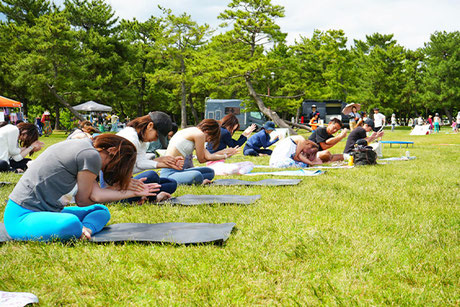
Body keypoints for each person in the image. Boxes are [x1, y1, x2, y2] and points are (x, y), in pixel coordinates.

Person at [3, 134, 160, 241]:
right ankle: (79, 228)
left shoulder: (86, 149)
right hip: (21, 217)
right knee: (70, 222)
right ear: (111, 151)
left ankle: (86, 230)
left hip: (48, 212)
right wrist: (127, 193)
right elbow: (84, 200)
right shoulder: (90, 156)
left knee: (100, 211)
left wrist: (124, 190)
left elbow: (96, 196)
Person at [117, 112, 181, 202]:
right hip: (116, 189)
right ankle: (148, 197)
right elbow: (128, 170)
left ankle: (145, 195)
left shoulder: (140, 139)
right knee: (152, 175)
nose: (155, 140)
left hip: (125, 183)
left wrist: (162, 163)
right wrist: (158, 163)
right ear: (150, 126)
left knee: (171, 183)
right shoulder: (130, 139)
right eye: (157, 136)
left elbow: (139, 163)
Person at [161, 119, 238, 185]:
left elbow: (209, 156)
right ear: (208, 132)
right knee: (197, 175)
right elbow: (201, 160)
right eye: (211, 138)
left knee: (209, 171)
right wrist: (224, 154)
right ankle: (199, 181)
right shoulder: (199, 135)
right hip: (169, 173)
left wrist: (225, 155)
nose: (208, 140)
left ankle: (192, 178)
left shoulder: (194, 131)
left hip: (179, 170)